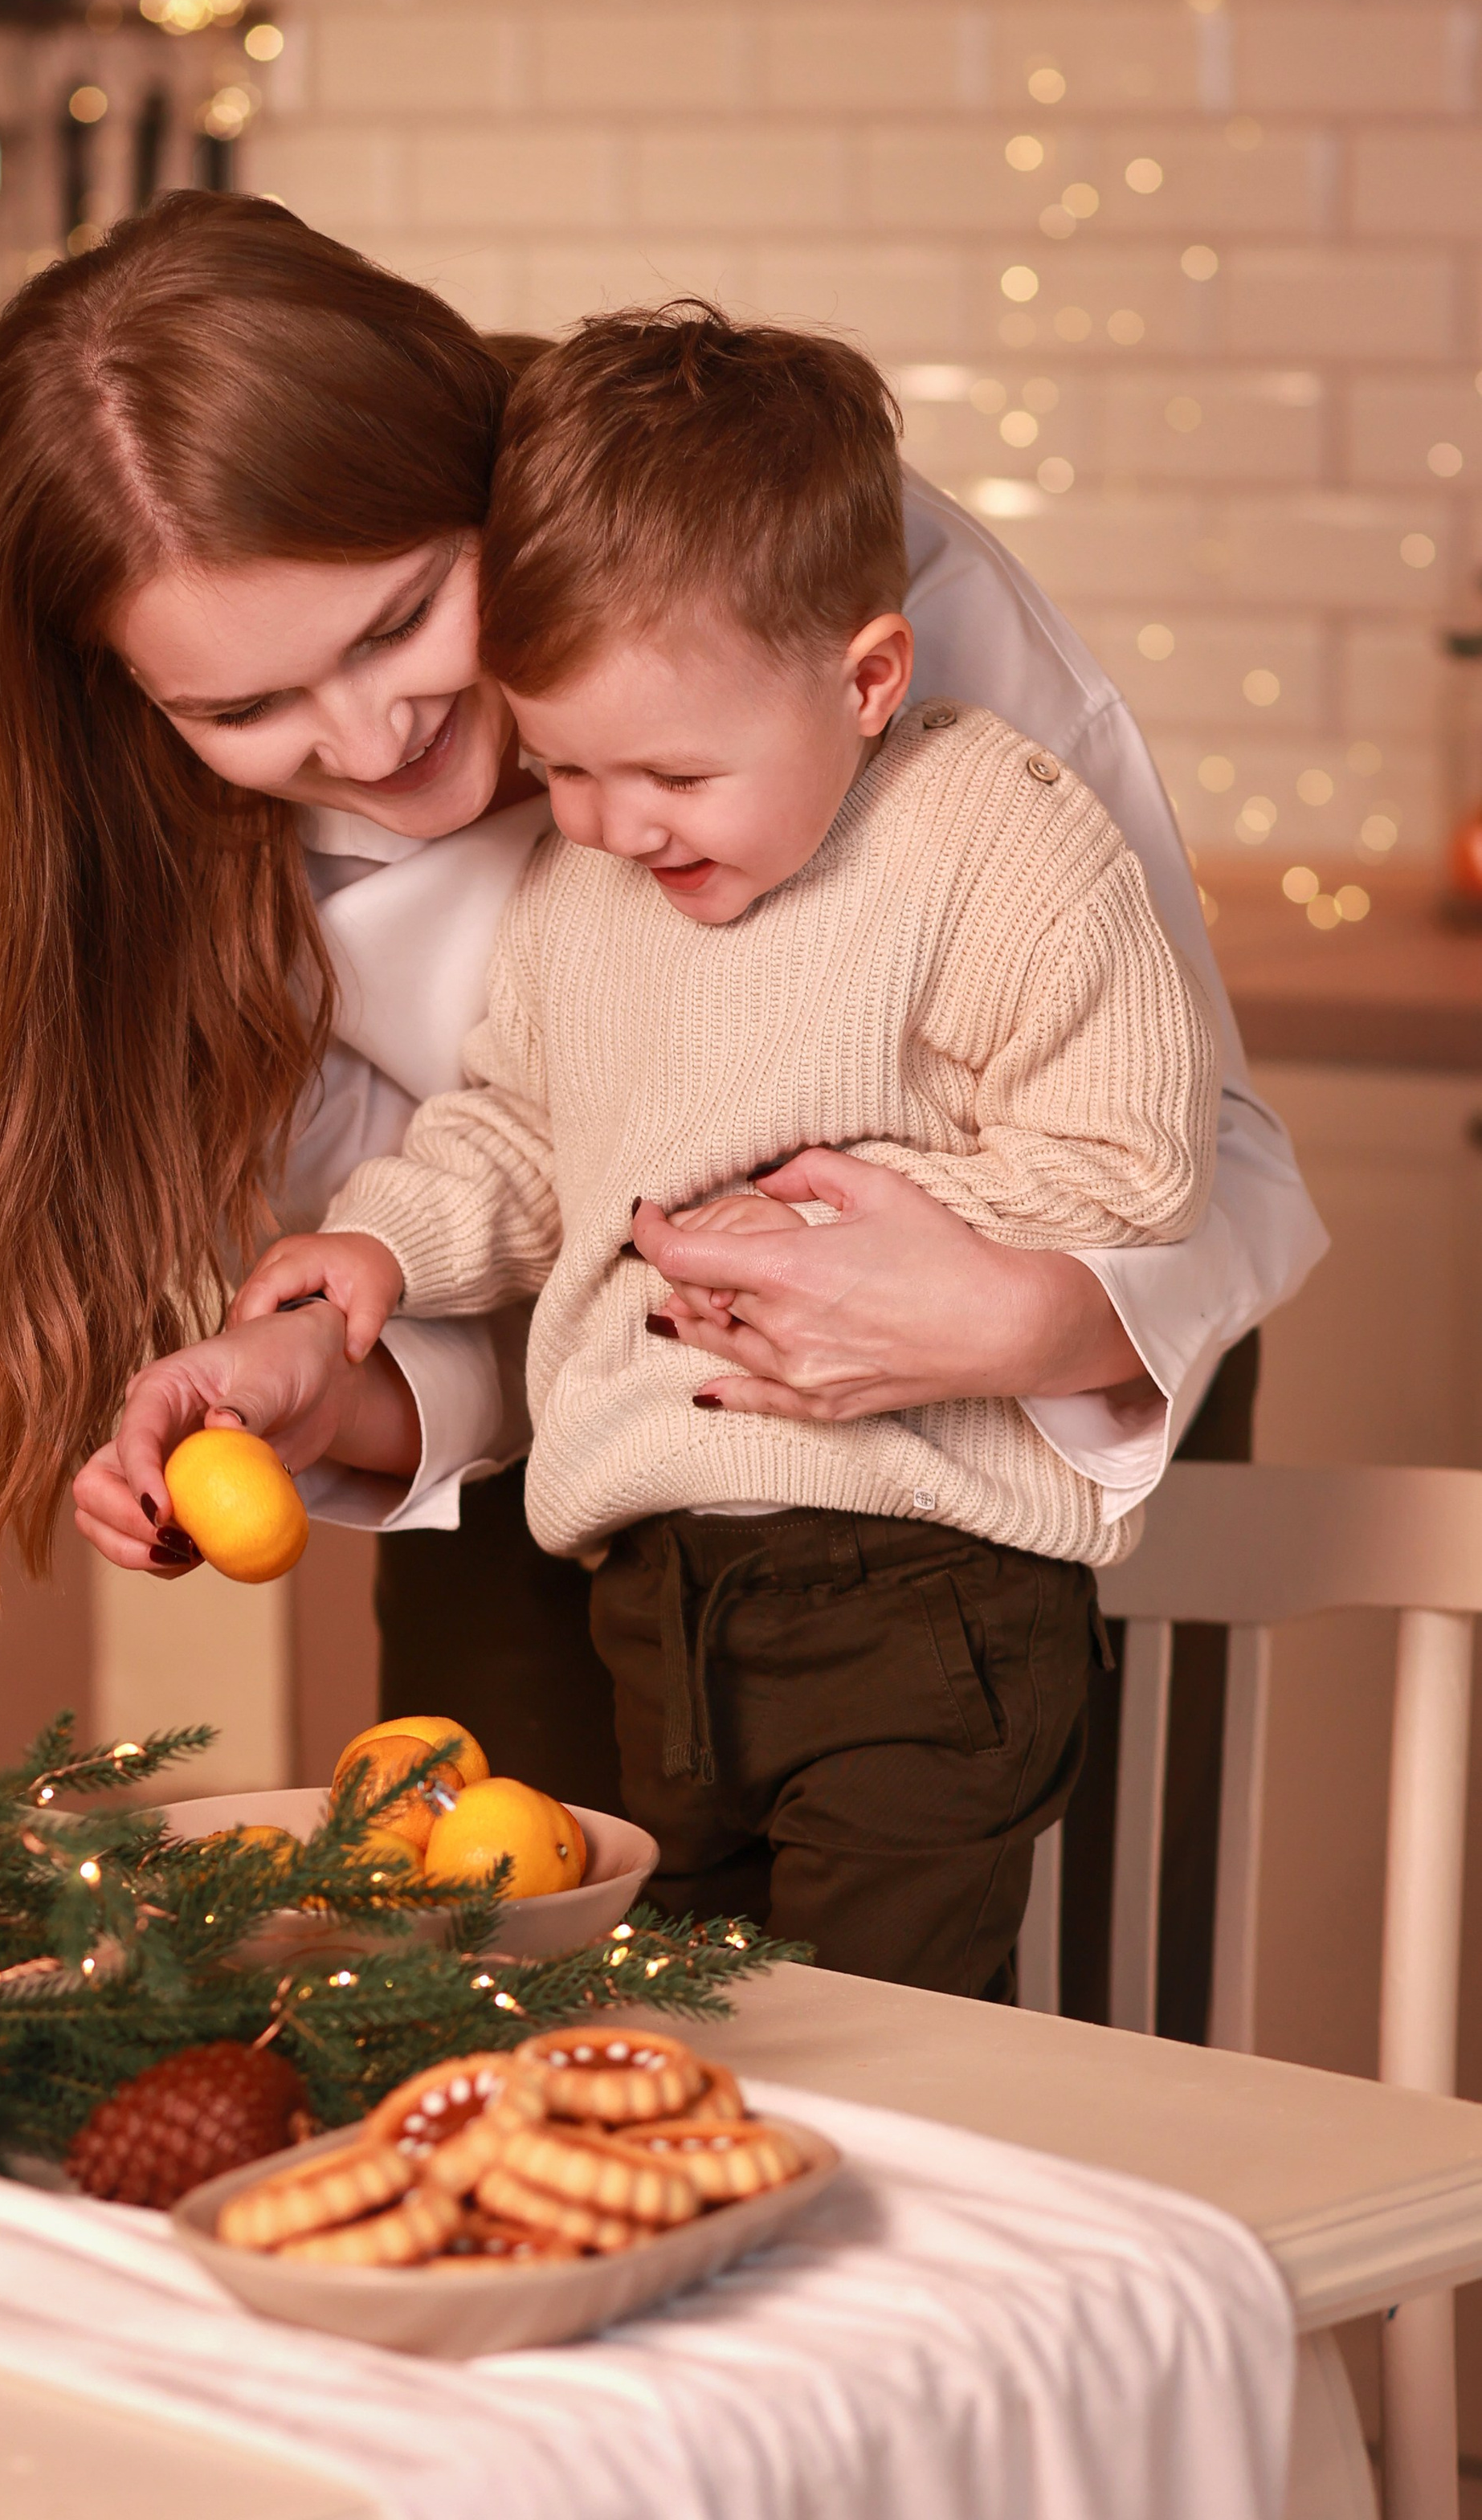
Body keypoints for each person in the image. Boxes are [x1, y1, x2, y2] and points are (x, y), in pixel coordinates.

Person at [0, 191, 1323, 1845]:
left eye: (397, 619)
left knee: (952, 2032)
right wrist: (333, 1377)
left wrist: (1016, 1322)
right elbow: (520, 1262)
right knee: (494, 1972)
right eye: (244, 706)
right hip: (597, 1473)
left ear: (479, 476)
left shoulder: (806, 567)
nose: (365, 741)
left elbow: (1198, 1151)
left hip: (995, 1478)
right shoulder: (189, 857)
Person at [223, 307, 1219, 1993]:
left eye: (669, 772)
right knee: (696, 2039)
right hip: (659, 1601)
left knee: (889, 2046)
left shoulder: (995, 842)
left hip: (926, 1585)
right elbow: (525, 1140)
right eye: (564, 768)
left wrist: (889, 1235)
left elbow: (1133, 1161)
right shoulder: (588, 883)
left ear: (866, 678)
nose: (611, 825)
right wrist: (385, 1247)